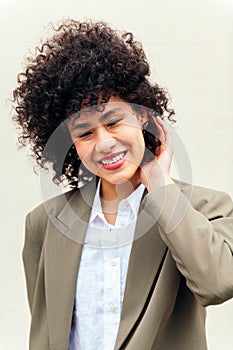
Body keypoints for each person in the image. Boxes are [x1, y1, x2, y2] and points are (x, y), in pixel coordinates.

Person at [12, 20, 233, 350]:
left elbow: (218, 283)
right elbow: (45, 331)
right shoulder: (45, 223)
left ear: (143, 117)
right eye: (85, 133)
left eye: (113, 121)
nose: (104, 142)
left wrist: (159, 184)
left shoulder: (205, 208)